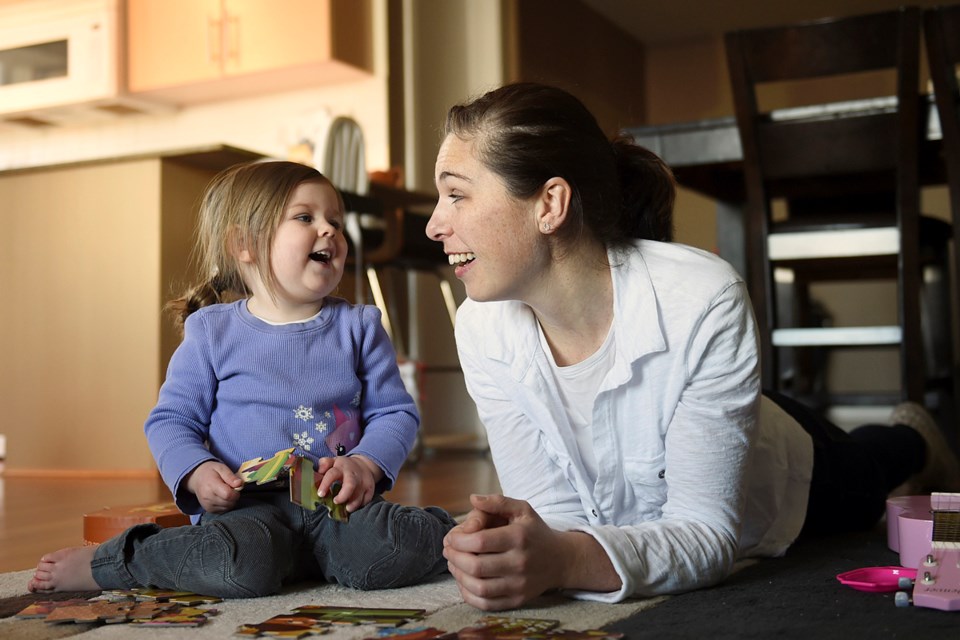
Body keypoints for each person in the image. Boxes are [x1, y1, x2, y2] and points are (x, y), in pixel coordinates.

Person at [426, 82, 960, 611]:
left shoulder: (703, 298)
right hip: (698, 422)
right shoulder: (481, 329)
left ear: (550, 203)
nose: (433, 224)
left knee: (868, 470)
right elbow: (549, 517)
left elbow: (706, 534)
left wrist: (563, 561)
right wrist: (521, 551)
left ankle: (914, 435)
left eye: (456, 194)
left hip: (782, 469)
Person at [28, 160, 456, 598]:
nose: (329, 230)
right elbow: (171, 421)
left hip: (338, 508)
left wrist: (365, 463)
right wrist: (197, 472)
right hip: (246, 511)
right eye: (306, 218)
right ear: (244, 244)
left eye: (336, 221)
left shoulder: (360, 326)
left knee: (390, 547)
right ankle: (119, 561)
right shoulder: (212, 332)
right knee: (239, 565)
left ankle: (457, 537)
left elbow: (395, 414)